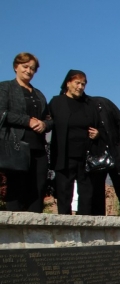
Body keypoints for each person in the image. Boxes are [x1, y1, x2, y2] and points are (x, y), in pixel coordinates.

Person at [0, 52, 53, 212]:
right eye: (25, 67)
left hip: (38, 147)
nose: (29, 71)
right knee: (16, 188)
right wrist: (27, 120)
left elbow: (50, 119)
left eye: (32, 68)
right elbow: (1, 112)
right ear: (16, 67)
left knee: (38, 187)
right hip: (15, 146)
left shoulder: (38, 94)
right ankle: (15, 232)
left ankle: (35, 229)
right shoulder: (5, 88)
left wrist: (44, 125)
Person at [48, 70, 102, 215]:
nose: (80, 87)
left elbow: (100, 126)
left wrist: (98, 133)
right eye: (77, 83)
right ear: (68, 83)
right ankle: (64, 224)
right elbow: (48, 122)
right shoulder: (56, 102)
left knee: (86, 193)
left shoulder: (89, 104)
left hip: (86, 155)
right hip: (64, 154)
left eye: (83, 84)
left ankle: (84, 224)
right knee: (64, 192)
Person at [90, 95, 120, 217]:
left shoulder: (103, 103)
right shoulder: (80, 109)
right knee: (97, 191)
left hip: (116, 155)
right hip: (95, 157)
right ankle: (98, 224)